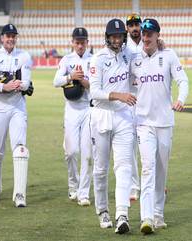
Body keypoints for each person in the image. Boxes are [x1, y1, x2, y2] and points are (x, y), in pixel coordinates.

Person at [130, 18, 189, 234]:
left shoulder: (169, 55)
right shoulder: (134, 59)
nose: (145, 37)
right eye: (144, 34)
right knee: (147, 168)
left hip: (164, 123)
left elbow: (182, 81)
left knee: (161, 171)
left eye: (150, 34)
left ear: (157, 36)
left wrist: (181, 99)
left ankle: (158, 214)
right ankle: (146, 218)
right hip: (143, 123)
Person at [89, 19, 136, 234]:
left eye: (120, 36)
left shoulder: (129, 53)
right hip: (102, 115)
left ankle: (122, 214)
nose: (117, 40)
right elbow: (94, 92)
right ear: (107, 37)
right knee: (101, 168)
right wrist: (119, 95)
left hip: (123, 116)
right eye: (113, 36)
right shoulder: (97, 60)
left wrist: (160, 44)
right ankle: (102, 210)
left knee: (124, 166)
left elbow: (145, 55)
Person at [0, 24, 32, 207]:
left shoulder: (24, 56)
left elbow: (27, 83)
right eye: (7, 36)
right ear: (2, 38)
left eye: (13, 36)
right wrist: (4, 86)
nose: (10, 39)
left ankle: (20, 194)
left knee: (20, 149)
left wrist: (20, 85)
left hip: (18, 107)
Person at [53, 27, 93, 206]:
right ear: (72, 43)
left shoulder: (94, 60)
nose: (80, 45)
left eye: (83, 42)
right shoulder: (66, 60)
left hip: (88, 109)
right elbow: (56, 82)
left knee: (87, 153)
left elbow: (97, 86)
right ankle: (73, 185)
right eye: (77, 42)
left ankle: (84, 193)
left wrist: (84, 82)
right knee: (71, 152)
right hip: (71, 109)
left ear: (87, 42)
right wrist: (70, 76)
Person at [125, 13, 142, 201]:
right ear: (127, 29)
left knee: (148, 147)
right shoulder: (124, 48)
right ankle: (134, 186)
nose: (135, 28)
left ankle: (155, 184)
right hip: (130, 101)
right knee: (130, 147)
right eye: (131, 25)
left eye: (137, 24)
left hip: (147, 101)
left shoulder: (149, 44)